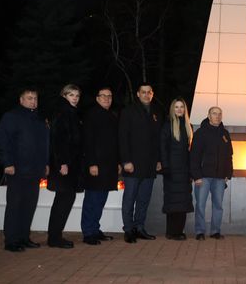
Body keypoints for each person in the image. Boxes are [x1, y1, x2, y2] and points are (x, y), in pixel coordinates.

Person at [0, 88, 49, 252]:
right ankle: (11, 240)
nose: (33, 101)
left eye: (35, 98)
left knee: (29, 205)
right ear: (21, 100)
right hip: (17, 169)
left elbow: (44, 144)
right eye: (29, 98)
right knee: (15, 205)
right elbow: (2, 141)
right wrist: (7, 163)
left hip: (35, 170)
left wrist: (45, 164)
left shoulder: (39, 119)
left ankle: (24, 237)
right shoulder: (11, 117)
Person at [118, 83, 162, 243]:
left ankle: (139, 228)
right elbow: (122, 137)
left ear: (152, 94)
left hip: (149, 165)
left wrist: (158, 160)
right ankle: (128, 229)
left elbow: (157, 139)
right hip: (133, 164)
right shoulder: (128, 111)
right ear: (138, 94)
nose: (146, 95)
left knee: (143, 199)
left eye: (149, 92)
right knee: (129, 199)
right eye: (143, 92)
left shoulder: (156, 112)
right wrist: (126, 161)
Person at [81, 87, 120, 245]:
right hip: (96, 165)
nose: (107, 98)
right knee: (92, 200)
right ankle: (88, 232)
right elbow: (88, 141)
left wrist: (118, 162)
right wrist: (92, 163)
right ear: (97, 98)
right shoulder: (92, 115)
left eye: (109, 96)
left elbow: (115, 142)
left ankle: (95, 229)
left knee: (100, 200)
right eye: (103, 96)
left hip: (108, 166)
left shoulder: (112, 115)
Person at [47, 84, 83, 249]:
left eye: (77, 95)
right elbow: (58, 140)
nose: (75, 98)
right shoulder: (62, 112)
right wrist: (62, 163)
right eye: (71, 95)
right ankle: (54, 237)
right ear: (64, 96)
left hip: (70, 164)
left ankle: (55, 235)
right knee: (63, 200)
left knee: (65, 199)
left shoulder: (71, 112)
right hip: (64, 165)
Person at [190, 106, 233, 240]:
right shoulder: (200, 133)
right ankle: (200, 232)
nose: (217, 116)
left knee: (218, 206)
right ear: (209, 116)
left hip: (220, 177)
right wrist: (196, 176)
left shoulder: (225, 134)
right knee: (200, 205)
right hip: (203, 177)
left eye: (219, 114)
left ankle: (215, 231)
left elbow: (229, 155)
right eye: (214, 114)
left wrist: (228, 174)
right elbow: (194, 156)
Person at [160, 98, 194, 240]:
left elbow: (190, 152)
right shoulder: (167, 126)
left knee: (183, 201)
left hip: (184, 171)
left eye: (182, 107)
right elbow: (162, 147)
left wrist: (191, 170)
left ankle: (179, 231)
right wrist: (166, 166)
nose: (179, 109)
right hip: (172, 170)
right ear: (172, 109)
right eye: (176, 107)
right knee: (172, 201)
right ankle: (171, 232)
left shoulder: (188, 126)